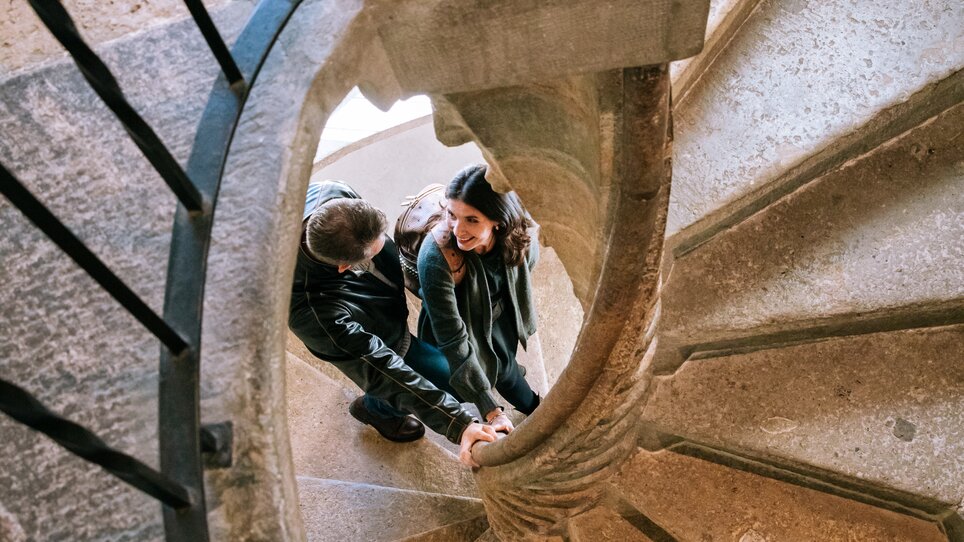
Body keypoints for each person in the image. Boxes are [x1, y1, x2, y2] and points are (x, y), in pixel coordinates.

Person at [288, 180, 496, 467]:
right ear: (344, 268)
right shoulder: (317, 317)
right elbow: (383, 370)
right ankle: (376, 410)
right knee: (457, 385)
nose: (385, 244)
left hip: (385, 309)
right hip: (382, 337)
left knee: (453, 354)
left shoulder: (332, 192)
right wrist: (459, 423)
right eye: (374, 252)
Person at [416, 164, 540, 434]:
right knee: (445, 383)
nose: (458, 230)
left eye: (471, 219)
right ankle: (379, 406)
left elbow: (527, 268)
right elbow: (451, 336)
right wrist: (489, 408)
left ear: (499, 221)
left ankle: (535, 407)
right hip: (459, 320)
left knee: (505, 367)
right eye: (451, 214)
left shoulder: (519, 233)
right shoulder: (435, 257)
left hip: (499, 315)